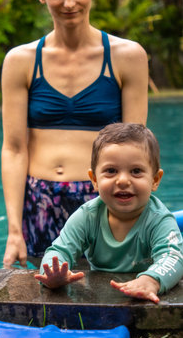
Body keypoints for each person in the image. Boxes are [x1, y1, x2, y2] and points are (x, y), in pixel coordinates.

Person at [1, 0, 148, 267]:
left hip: (103, 203)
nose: (69, 2)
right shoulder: (21, 61)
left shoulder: (127, 57)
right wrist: (14, 230)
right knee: (44, 303)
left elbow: (137, 148)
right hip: (39, 202)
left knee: (107, 301)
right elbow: (13, 149)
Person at [35, 123, 183, 303]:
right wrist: (52, 272)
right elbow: (59, 250)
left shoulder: (159, 220)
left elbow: (174, 257)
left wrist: (151, 280)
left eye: (136, 171)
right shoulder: (87, 216)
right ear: (95, 180)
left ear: (155, 180)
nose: (122, 180)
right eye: (111, 171)